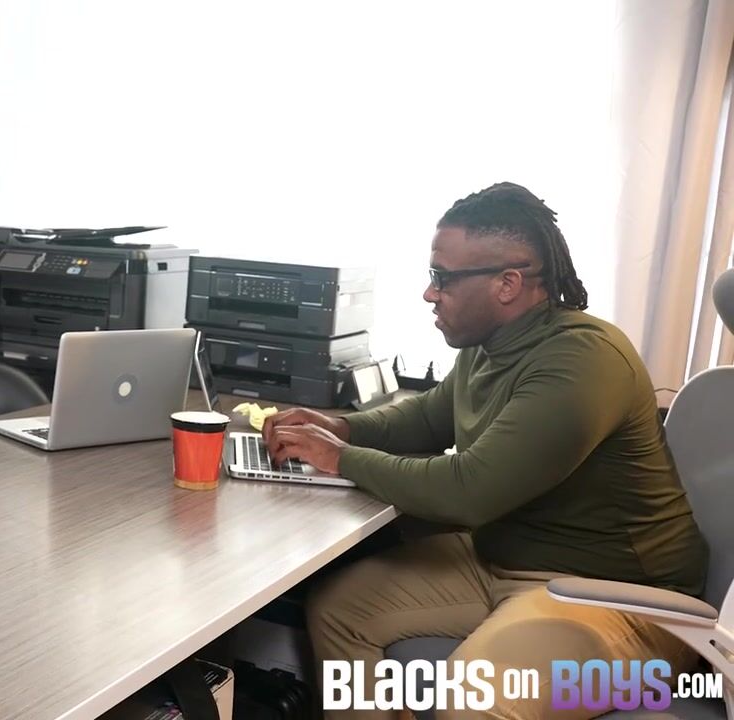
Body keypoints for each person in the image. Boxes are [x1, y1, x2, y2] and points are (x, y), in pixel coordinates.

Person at [263, 182, 708, 719]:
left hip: (620, 598)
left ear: (507, 283)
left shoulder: (583, 360)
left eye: (442, 278)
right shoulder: (488, 347)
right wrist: (340, 427)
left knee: (474, 700)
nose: (430, 294)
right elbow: (426, 418)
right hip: (508, 561)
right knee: (340, 611)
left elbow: (468, 490)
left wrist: (338, 457)